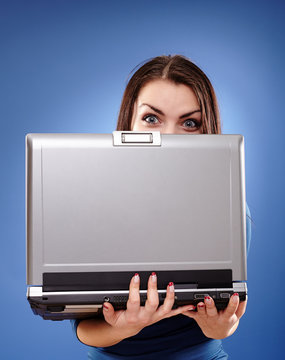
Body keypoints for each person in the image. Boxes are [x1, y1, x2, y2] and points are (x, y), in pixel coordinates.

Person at [71, 55, 251, 359]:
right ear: (129, 120)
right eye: (152, 118)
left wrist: (220, 326)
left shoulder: (231, 213)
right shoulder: (93, 208)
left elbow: (226, 322)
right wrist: (126, 327)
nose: (168, 137)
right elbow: (84, 327)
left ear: (206, 131)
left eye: (189, 123)